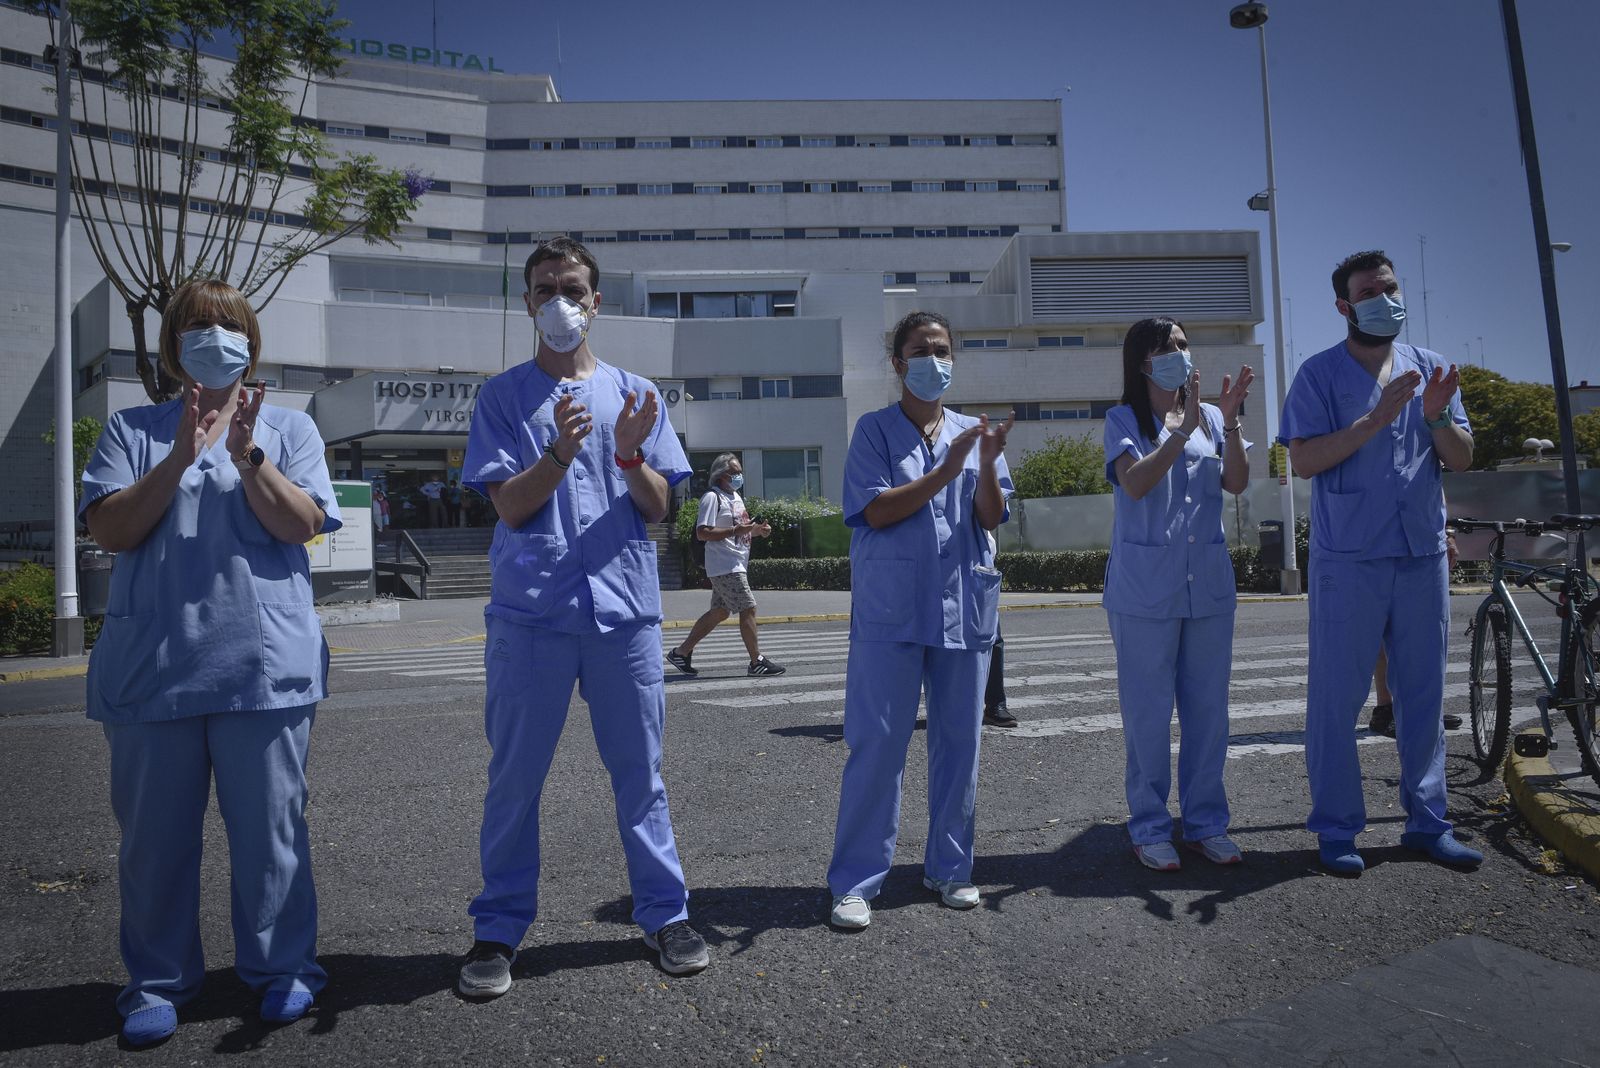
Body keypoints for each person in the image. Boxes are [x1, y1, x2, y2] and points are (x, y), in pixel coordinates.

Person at [77, 279, 340, 1046]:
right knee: (153, 843)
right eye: (196, 325)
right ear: (173, 345)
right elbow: (114, 531)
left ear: (250, 342)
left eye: (227, 325)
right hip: (153, 668)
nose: (212, 336)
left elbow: (301, 527)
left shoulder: (288, 429)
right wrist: (179, 458)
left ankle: (284, 969)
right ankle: (156, 981)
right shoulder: (130, 429)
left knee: (272, 837)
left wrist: (247, 455)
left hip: (263, 670)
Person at [457, 236, 709, 996]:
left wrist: (630, 458)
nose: (559, 301)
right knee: (514, 779)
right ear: (526, 303)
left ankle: (666, 913)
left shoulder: (638, 394)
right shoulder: (502, 398)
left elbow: (662, 511)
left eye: (571, 287)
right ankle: (498, 928)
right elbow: (508, 503)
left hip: (624, 614)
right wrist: (561, 453)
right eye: (543, 289)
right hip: (532, 616)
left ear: (597, 301)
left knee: (641, 775)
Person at [1280, 249, 1480, 875]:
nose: (1385, 299)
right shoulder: (1317, 375)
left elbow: (1463, 457)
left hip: (1421, 554)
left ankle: (1429, 822)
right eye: (1371, 292)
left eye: (1390, 288)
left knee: (1421, 696)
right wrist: (1375, 420)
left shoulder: (1433, 369)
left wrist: (1436, 416)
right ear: (1345, 307)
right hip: (1350, 561)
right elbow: (1304, 461)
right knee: (1336, 701)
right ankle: (1337, 828)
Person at [827, 310, 1013, 930]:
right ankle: (855, 880)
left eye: (943, 348)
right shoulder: (874, 431)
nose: (934, 359)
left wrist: (984, 464)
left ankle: (951, 869)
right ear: (898, 362)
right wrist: (944, 471)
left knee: (961, 743)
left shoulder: (973, 430)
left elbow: (989, 517)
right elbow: (875, 511)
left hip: (964, 605)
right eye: (920, 349)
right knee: (878, 745)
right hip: (891, 610)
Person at [1102, 317, 1254, 870]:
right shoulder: (1123, 418)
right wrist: (1180, 432)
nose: (1181, 355)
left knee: (1209, 715)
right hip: (1144, 592)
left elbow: (1235, 483)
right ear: (1142, 360)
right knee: (1148, 716)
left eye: (1185, 345)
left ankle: (1206, 823)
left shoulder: (1212, 416)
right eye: (1169, 348)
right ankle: (1148, 826)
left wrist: (1229, 424)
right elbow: (1136, 483)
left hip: (1208, 588)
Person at [666, 453, 786, 678]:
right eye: (735, 472)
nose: (740, 476)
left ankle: (681, 653)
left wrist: (758, 531)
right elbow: (702, 532)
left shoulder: (736, 497)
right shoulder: (712, 497)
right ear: (721, 475)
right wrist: (735, 531)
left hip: (735, 562)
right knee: (748, 607)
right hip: (725, 565)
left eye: (740, 471)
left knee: (719, 612)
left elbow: (740, 530)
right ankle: (756, 661)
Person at [1368, 530, 1462, 735]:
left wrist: (1448, 533)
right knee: (1379, 625)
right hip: (1368, 541)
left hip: (1420, 542)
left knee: (1422, 631)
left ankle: (1422, 711)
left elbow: (1434, 497)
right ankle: (1385, 706)